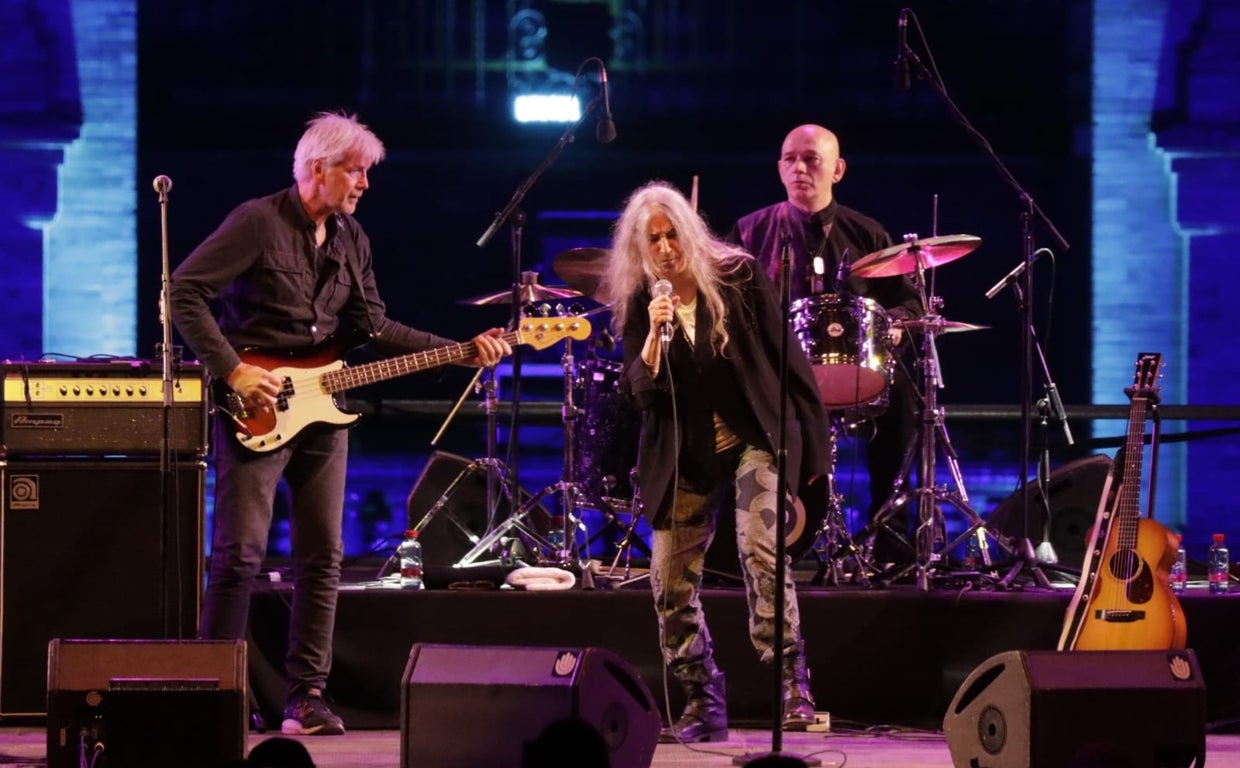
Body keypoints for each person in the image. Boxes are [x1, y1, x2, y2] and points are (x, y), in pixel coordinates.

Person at [169, 111, 511, 736]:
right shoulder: (256, 222)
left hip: (324, 411)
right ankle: (210, 691)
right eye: (356, 171)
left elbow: (374, 330)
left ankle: (307, 697)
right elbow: (182, 291)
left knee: (322, 556)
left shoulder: (352, 239)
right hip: (256, 407)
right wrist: (232, 370)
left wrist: (460, 348)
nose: (364, 184)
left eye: (366, 173)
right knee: (240, 554)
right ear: (317, 169)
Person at [604, 180, 831, 741]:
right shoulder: (640, 302)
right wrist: (656, 337)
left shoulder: (738, 277)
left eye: (671, 234)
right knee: (667, 581)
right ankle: (702, 694)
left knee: (761, 548)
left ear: (690, 231)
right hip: (685, 454)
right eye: (652, 239)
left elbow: (790, 365)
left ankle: (790, 682)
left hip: (754, 437)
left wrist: (813, 453)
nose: (664, 248)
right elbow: (640, 394)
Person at [728, 124, 923, 566]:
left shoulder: (867, 234)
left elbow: (909, 301)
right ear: (779, 167)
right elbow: (726, 302)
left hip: (853, 375)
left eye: (811, 159)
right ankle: (752, 540)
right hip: (776, 377)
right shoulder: (750, 231)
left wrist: (894, 323)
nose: (799, 168)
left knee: (905, 406)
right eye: (789, 158)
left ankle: (890, 538)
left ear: (837, 170)